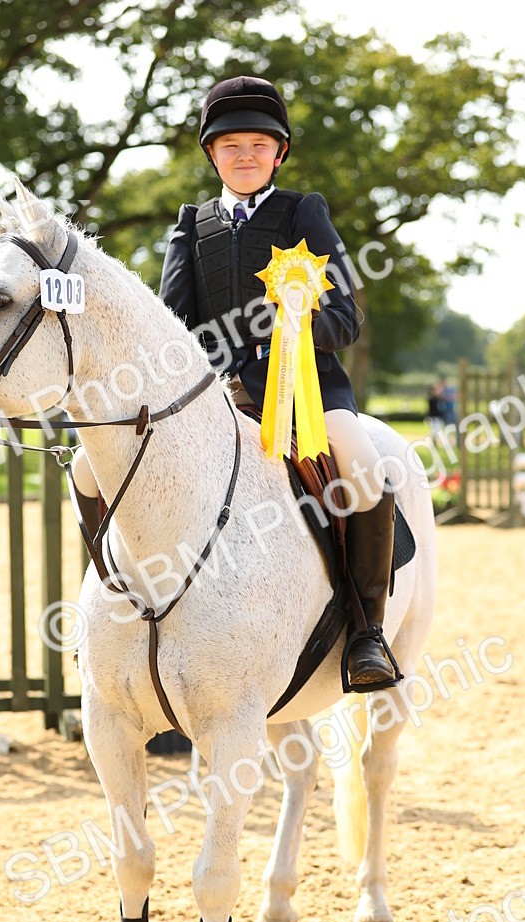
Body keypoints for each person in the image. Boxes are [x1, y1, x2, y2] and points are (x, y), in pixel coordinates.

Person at [156, 75, 400, 691]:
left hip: (311, 397)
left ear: (280, 152)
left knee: (364, 464)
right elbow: (173, 330)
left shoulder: (302, 211)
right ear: (211, 153)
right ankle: (134, 624)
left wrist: (294, 327)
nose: (245, 154)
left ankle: (367, 634)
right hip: (219, 400)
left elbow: (345, 317)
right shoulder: (190, 225)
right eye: (230, 144)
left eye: (259, 144)